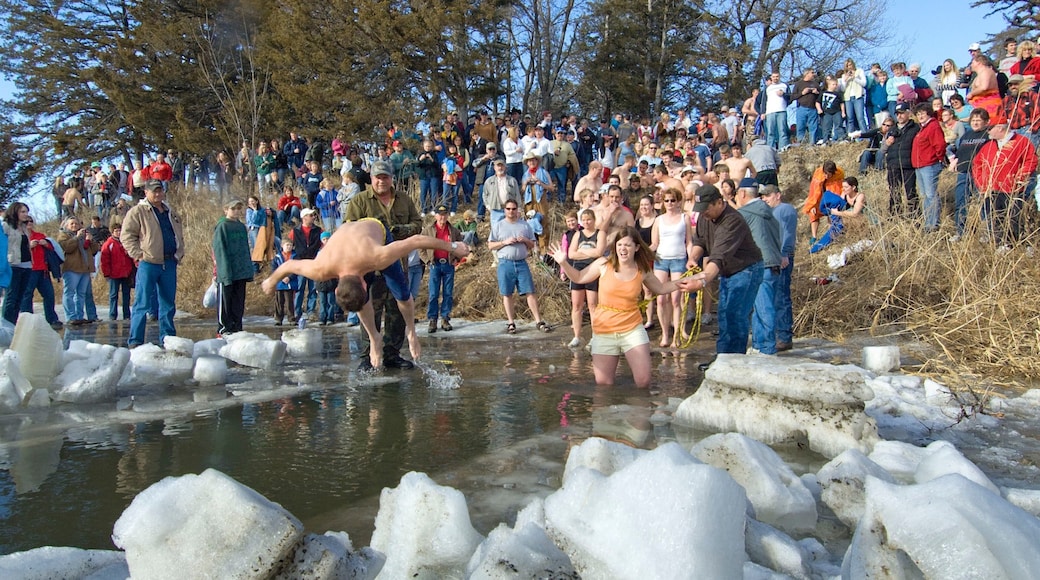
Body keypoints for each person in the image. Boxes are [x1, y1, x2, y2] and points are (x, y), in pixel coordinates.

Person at [261, 218, 470, 369]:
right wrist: (271, 281)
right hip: (347, 235)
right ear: (336, 288)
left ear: (364, 282)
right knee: (357, 301)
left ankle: (411, 333)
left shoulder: (378, 256)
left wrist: (453, 246)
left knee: (401, 293)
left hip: (375, 232)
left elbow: (415, 240)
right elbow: (289, 266)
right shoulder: (321, 268)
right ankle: (374, 339)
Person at [550, 227, 695, 388]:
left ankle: (639, 411)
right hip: (604, 330)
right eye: (619, 245)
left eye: (627, 245)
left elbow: (661, 288)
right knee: (604, 385)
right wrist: (563, 262)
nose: (622, 249)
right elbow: (579, 277)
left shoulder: (642, 270)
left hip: (632, 329)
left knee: (643, 381)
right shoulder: (603, 264)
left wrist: (687, 280)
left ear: (637, 248)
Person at [343, 160, 424, 371]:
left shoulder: (404, 199)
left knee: (397, 311)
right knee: (370, 310)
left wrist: (397, 231)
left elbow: (417, 225)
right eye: (378, 177)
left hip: (398, 263)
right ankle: (366, 355)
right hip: (370, 268)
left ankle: (392, 354)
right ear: (371, 179)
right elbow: (348, 229)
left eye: (385, 177)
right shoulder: (360, 201)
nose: (381, 181)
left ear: (391, 178)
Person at [685, 185, 764, 369]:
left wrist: (701, 281)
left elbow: (718, 258)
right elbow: (700, 241)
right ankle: (723, 359)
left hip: (746, 269)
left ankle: (734, 362)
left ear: (719, 202)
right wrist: (693, 258)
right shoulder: (706, 217)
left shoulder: (732, 221)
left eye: (706, 208)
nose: (703, 213)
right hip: (728, 272)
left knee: (735, 315)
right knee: (723, 315)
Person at [122, 180, 185, 348]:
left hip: (169, 262)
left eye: (160, 191)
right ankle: (135, 340)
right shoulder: (138, 211)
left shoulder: (171, 212)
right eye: (154, 191)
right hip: (149, 263)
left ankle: (168, 338)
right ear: (146, 192)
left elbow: (179, 234)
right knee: (142, 303)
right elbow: (127, 235)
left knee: (168, 303)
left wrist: (179, 254)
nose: (157, 194)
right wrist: (139, 255)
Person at [971, 110, 1039, 246]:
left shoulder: (1021, 142)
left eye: (990, 128)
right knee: (996, 218)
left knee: (1016, 218)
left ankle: (1023, 244)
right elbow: (977, 164)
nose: (988, 131)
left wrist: (1020, 176)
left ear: (1000, 128)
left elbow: (1031, 160)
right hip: (992, 189)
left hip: (1013, 189)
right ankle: (1002, 244)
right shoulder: (988, 146)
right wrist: (981, 183)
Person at [488, 200, 551, 335]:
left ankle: (538, 321)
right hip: (505, 263)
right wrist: (504, 242)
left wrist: (525, 240)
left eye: (513, 209)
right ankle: (511, 322)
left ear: (518, 210)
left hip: (522, 262)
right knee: (507, 293)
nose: (511, 211)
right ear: (505, 210)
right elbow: (490, 245)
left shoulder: (525, 225)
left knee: (530, 291)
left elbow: (533, 245)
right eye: (508, 209)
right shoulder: (498, 226)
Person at [735, 179, 783, 355]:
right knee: (760, 307)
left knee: (764, 308)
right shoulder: (769, 212)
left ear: (742, 193)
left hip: (761, 265)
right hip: (772, 264)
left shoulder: (744, 213)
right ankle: (758, 345)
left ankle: (768, 349)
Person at [650, 188, 694, 348]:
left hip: (679, 259)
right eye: (666, 200)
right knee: (661, 299)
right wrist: (643, 252)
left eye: (672, 200)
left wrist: (692, 258)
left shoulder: (685, 218)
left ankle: (677, 334)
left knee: (676, 299)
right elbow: (655, 243)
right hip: (661, 260)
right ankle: (665, 334)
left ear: (678, 201)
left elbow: (689, 241)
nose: (669, 203)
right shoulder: (658, 220)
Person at [761, 185, 795, 351]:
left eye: (768, 196)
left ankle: (784, 336)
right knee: (773, 297)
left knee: (781, 296)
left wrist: (784, 254)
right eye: (763, 196)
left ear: (778, 195)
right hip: (771, 258)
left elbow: (787, 233)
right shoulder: (769, 213)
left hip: (782, 257)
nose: (765, 199)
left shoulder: (785, 209)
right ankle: (775, 334)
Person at [212, 199, 253, 336]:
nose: (236, 211)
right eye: (233, 208)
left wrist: (248, 269)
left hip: (240, 270)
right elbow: (219, 249)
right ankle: (224, 327)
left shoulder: (241, 227)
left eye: (238, 208)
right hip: (227, 270)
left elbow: (245, 249)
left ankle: (237, 326)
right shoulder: (223, 226)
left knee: (238, 301)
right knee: (225, 300)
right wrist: (223, 271)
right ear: (226, 210)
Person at [421, 205, 464, 333]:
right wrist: (427, 261)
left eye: (445, 214)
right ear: (435, 216)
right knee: (433, 293)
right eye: (440, 214)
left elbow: (461, 246)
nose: (442, 217)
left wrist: (456, 259)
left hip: (448, 265)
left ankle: (445, 318)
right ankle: (432, 319)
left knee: (448, 293)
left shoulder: (454, 231)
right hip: (435, 264)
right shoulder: (428, 230)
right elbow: (420, 247)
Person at [566, 208, 604, 348]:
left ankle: (595, 336)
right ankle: (576, 336)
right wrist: (589, 253)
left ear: (594, 220)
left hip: (593, 271)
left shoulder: (600, 233)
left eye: (589, 220)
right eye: (584, 220)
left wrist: (582, 252)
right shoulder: (577, 234)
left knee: (593, 305)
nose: (587, 222)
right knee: (576, 305)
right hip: (578, 270)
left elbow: (599, 252)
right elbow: (571, 254)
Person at [952, 109, 991, 237]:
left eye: (978, 120)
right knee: (960, 202)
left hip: (980, 173)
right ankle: (960, 232)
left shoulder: (988, 135)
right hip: (963, 172)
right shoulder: (966, 135)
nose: (975, 123)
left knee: (983, 203)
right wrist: (954, 161)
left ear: (985, 122)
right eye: (973, 120)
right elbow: (959, 152)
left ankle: (986, 233)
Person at [21, 216, 62, 329]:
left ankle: (52, 319)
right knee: (27, 295)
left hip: (42, 270)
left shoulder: (39, 235)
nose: (29, 223)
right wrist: (29, 246)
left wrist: (46, 244)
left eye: (31, 221)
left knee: (49, 294)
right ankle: (27, 321)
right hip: (30, 270)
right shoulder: (21, 236)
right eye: (26, 221)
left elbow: (51, 249)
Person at [57, 216, 100, 326]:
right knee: (69, 293)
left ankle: (79, 316)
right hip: (71, 268)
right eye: (72, 224)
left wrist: (90, 241)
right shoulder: (63, 236)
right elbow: (67, 248)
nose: (74, 225)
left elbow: (95, 250)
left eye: (76, 223)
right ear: (67, 225)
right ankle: (71, 316)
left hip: (85, 269)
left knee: (81, 294)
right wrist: (76, 238)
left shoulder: (85, 235)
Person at [885, 102, 920, 216]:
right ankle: (895, 216)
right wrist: (887, 143)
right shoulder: (892, 129)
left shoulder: (915, 128)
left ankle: (914, 216)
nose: (899, 116)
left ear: (908, 113)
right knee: (894, 192)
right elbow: (883, 148)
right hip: (893, 165)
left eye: (902, 113)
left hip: (908, 165)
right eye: (897, 114)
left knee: (910, 192)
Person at [291, 208, 323, 320]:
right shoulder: (295, 230)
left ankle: (311, 311)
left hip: (313, 262)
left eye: (313, 215)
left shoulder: (318, 230)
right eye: (311, 215)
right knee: (299, 288)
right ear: (304, 217)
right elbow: (291, 246)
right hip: (300, 263)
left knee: (313, 288)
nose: (313, 217)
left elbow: (322, 243)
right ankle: (296, 312)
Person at [100, 221, 134, 322]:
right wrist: (106, 273)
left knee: (126, 295)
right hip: (114, 274)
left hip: (126, 273)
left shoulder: (126, 242)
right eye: (116, 231)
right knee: (113, 295)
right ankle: (112, 315)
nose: (118, 233)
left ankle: (127, 314)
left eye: (120, 231)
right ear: (112, 232)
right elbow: (104, 260)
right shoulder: (108, 244)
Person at [271, 239, 299, 326]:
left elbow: (296, 269)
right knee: (279, 301)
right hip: (280, 283)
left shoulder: (295, 256)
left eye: (290, 245)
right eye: (287, 245)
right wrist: (280, 277)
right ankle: (278, 318)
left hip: (290, 282)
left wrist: (289, 277)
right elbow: (274, 269)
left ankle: (291, 318)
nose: (289, 247)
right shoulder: (277, 257)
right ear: (282, 246)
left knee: (289, 301)